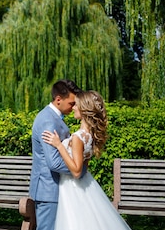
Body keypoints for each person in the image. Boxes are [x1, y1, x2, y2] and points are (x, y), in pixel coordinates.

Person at [42, 90, 131, 230]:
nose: (73, 108)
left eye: (76, 105)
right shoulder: (89, 135)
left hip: (72, 187)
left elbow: (77, 171)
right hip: (86, 183)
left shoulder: (78, 137)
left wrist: (59, 145)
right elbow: (84, 166)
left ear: (84, 109)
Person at [29, 79, 82, 230]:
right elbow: (54, 162)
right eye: (71, 103)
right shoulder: (48, 121)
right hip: (48, 190)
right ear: (58, 99)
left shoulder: (53, 117)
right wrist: (79, 170)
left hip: (52, 188)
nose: (73, 108)